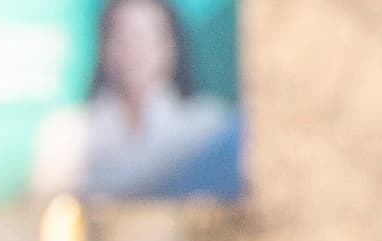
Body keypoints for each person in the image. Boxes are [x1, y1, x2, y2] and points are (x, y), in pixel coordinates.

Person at [28, 0, 246, 203]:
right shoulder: (69, 133)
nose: (135, 51)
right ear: (104, 47)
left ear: (172, 46)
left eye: (147, 37)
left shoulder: (207, 126)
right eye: (123, 37)